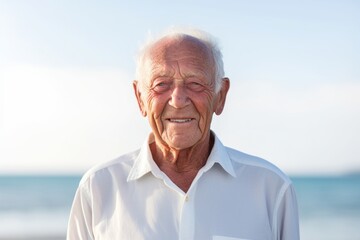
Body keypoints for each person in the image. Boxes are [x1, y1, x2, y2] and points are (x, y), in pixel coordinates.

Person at [67, 28, 300, 240]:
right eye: (161, 84)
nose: (178, 100)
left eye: (195, 83)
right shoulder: (97, 189)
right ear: (140, 98)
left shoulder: (272, 188)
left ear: (221, 96)